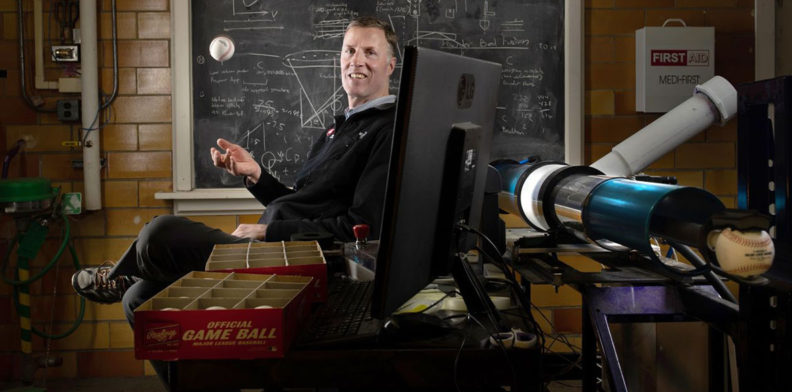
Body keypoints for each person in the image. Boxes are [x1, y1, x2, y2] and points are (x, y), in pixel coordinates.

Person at [70, 15, 398, 380]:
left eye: (370, 52)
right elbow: (302, 205)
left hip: (298, 266)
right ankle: (129, 281)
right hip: (268, 252)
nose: (356, 60)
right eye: (349, 50)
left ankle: (121, 275)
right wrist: (256, 175)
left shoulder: (388, 131)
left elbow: (360, 228)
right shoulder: (338, 128)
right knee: (141, 300)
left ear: (390, 65)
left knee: (158, 234)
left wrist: (268, 232)